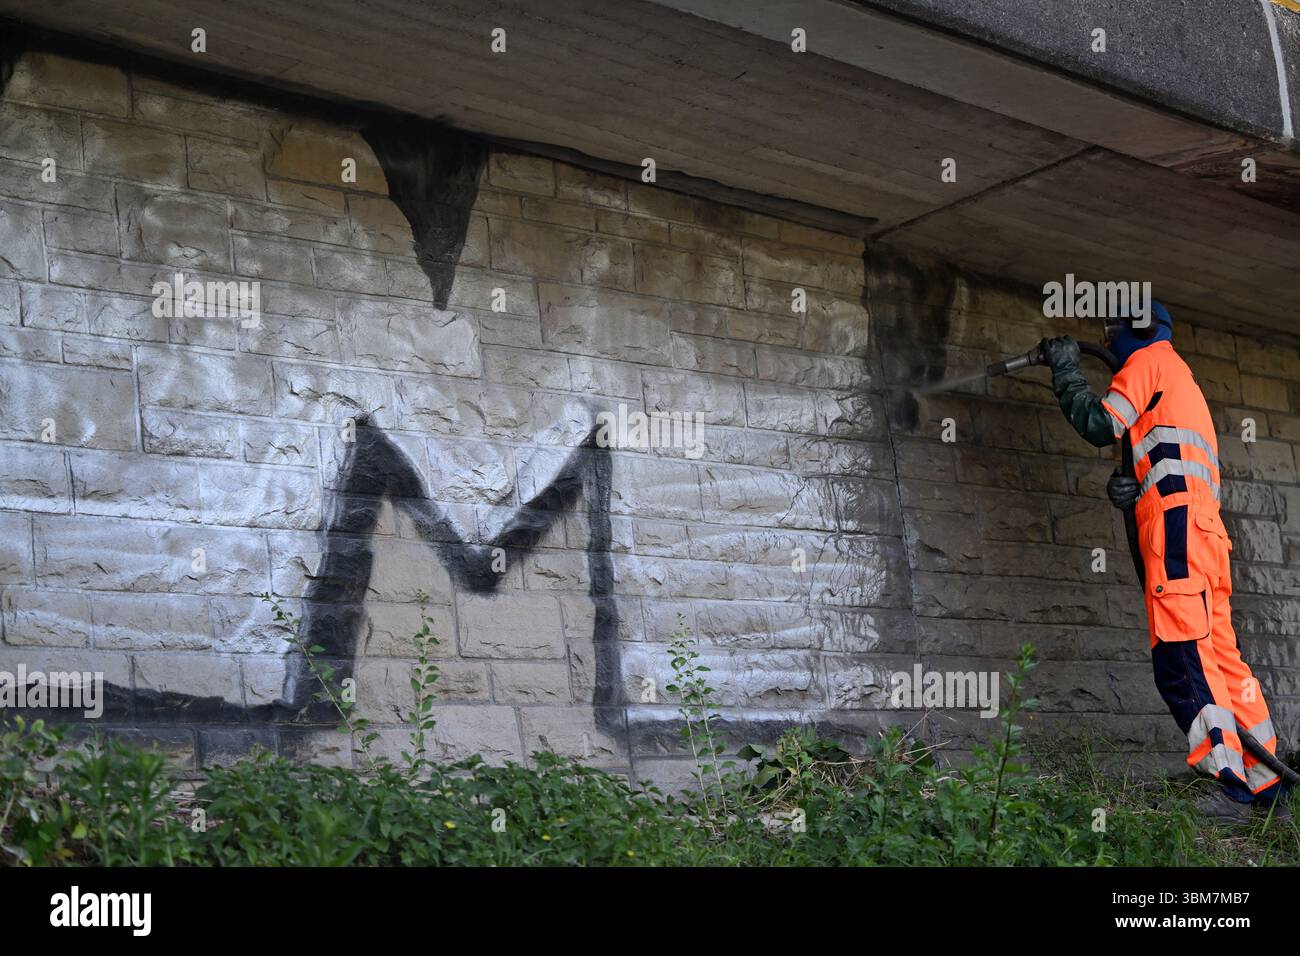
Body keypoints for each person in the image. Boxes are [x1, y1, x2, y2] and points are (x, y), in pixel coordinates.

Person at [1039, 302, 1289, 824]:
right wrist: (1133, 489)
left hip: (1177, 530)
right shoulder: (1181, 379)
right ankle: (1269, 790)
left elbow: (1098, 423)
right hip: (1203, 533)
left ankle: (1227, 786)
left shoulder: (1148, 361)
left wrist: (1065, 367)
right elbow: (1163, 456)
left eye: (1110, 335)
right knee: (1221, 659)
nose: (1108, 345)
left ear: (1137, 331)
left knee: (1182, 658)